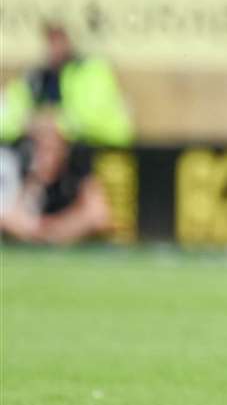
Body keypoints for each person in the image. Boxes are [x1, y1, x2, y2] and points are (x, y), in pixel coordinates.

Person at [0, 23, 133, 150]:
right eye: (51, 40)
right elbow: (7, 114)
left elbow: (95, 117)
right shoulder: (35, 77)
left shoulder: (94, 71)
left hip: (102, 152)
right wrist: (29, 123)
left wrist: (56, 123)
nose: (55, 47)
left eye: (60, 39)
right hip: (57, 160)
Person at [0, 114, 112, 246]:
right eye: (41, 147)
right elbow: (6, 215)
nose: (47, 155)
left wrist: (55, 229)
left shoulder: (76, 168)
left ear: (64, 149)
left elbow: (100, 216)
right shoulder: (19, 165)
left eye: (53, 147)